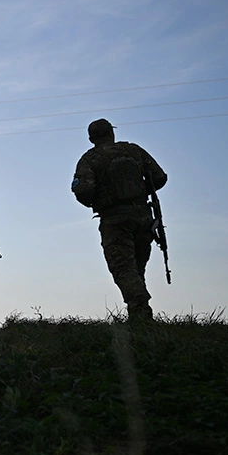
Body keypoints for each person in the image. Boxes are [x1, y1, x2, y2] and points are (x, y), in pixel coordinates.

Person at [71, 118, 167, 321]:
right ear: (111, 133)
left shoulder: (90, 159)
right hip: (143, 217)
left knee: (123, 267)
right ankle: (139, 314)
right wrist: (139, 192)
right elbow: (160, 177)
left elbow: (83, 190)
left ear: (91, 138)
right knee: (136, 266)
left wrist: (101, 200)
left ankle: (141, 310)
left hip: (115, 220)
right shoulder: (133, 150)